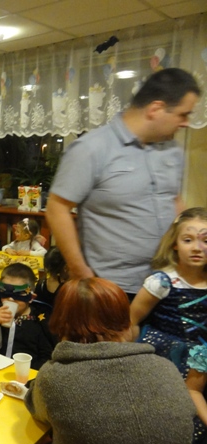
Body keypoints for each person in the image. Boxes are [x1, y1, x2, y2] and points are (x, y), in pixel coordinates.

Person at [46, 68, 201, 295]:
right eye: (183, 114)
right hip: (112, 288)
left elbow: (175, 201)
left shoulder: (172, 150)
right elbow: (56, 209)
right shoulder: (91, 148)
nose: (186, 122)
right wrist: (81, 272)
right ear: (156, 109)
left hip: (167, 281)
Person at [25, 278, 198, 444]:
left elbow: (36, 408)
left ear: (61, 323)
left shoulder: (55, 377)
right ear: (125, 321)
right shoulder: (166, 368)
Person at [130, 207, 207, 376]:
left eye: (206, 241)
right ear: (175, 244)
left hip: (201, 364)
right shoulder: (162, 282)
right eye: (188, 240)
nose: (197, 248)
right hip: (162, 360)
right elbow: (131, 321)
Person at [0, 263, 54, 369]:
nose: (10, 299)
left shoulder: (39, 322)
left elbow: (47, 359)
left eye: (18, 295)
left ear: (31, 298)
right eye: (5, 293)